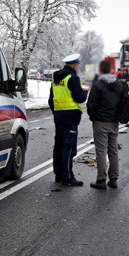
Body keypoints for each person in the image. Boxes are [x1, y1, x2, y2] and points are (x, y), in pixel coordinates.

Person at [48, 53, 87, 186]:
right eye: (77, 65)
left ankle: (59, 174)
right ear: (75, 65)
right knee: (69, 147)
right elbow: (80, 98)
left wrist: (57, 112)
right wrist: (85, 92)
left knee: (59, 146)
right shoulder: (72, 78)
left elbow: (50, 100)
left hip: (59, 117)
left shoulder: (56, 79)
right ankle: (68, 176)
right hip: (71, 118)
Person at [86, 59, 124, 189]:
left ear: (100, 70)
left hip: (101, 121)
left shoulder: (98, 85)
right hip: (114, 122)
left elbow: (91, 104)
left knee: (101, 151)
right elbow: (124, 102)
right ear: (111, 70)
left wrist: (93, 118)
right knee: (113, 150)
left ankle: (101, 180)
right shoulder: (119, 84)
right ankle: (113, 179)